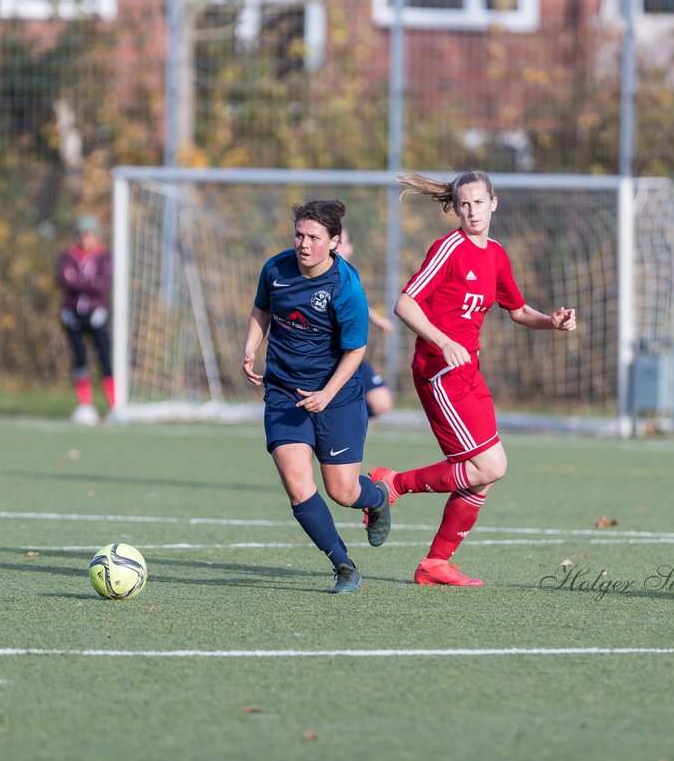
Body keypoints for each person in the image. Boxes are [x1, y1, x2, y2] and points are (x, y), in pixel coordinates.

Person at [370, 171, 576, 587]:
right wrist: (442, 342)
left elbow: (517, 310)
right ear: (456, 208)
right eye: (463, 204)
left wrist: (551, 322)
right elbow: (404, 305)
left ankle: (435, 564)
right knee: (489, 465)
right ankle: (394, 484)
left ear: (493, 203)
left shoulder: (496, 254)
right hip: (439, 371)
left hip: (470, 371)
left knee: (482, 471)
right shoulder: (449, 248)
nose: (471, 211)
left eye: (478, 202)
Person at [241, 199, 393, 594]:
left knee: (343, 491)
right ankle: (344, 566)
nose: (303, 244)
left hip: (337, 394)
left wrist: (327, 393)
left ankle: (377, 497)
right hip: (283, 391)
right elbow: (262, 311)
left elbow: (356, 350)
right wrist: (250, 346)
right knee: (296, 483)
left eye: (314, 237)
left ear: (335, 242)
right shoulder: (275, 269)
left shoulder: (345, 286)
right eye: (299, 235)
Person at [57, 213, 115, 425]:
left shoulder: (103, 257)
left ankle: (114, 405)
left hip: (96, 314)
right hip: (73, 315)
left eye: (89, 234)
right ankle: (85, 404)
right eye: (81, 235)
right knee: (79, 359)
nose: (84, 239)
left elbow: (101, 284)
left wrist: (78, 280)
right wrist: (87, 282)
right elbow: (63, 279)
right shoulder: (69, 256)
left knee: (105, 358)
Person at [336, 236, 395, 418]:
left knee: (382, 401)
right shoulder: (319, 276)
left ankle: (346, 424)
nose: (337, 246)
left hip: (351, 355)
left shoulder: (351, 274)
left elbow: (356, 305)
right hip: (327, 357)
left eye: (341, 242)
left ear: (349, 248)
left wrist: (376, 318)